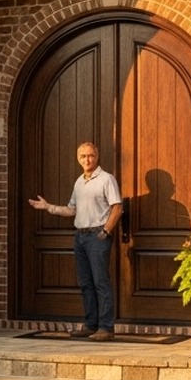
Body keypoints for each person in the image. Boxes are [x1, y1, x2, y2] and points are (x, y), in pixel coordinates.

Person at [28, 142, 123, 341]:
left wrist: (106, 231)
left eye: (90, 156)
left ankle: (106, 328)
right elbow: (72, 209)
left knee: (100, 282)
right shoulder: (79, 182)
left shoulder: (107, 179)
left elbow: (117, 207)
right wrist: (48, 207)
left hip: (98, 235)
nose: (87, 160)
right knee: (85, 283)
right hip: (80, 236)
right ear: (77, 159)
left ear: (97, 157)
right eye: (83, 156)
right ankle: (91, 325)